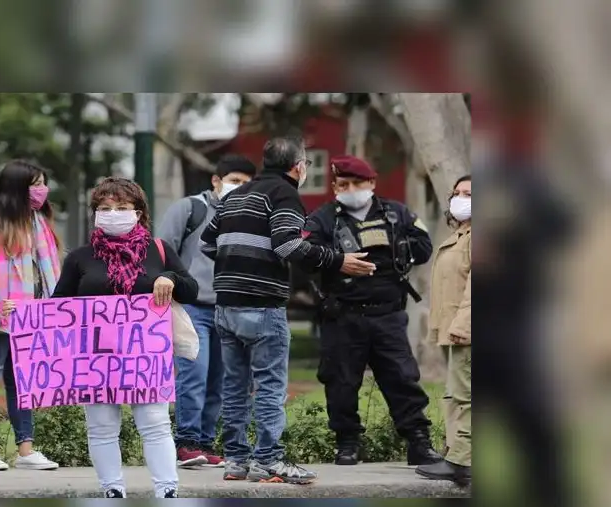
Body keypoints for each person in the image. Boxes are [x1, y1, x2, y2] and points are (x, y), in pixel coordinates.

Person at [201, 137, 376, 485]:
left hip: (225, 306)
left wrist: (237, 265)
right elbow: (287, 243)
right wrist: (338, 260)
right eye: (307, 163)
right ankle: (268, 461)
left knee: (235, 386)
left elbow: (208, 241)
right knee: (269, 386)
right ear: (297, 166)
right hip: (263, 306)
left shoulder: (234, 196)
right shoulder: (284, 195)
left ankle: (236, 460)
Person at [51, 177, 198, 497]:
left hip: (144, 356)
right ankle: (112, 490)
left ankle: (166, 490)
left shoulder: (159, 251)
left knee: (155, 423)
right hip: (95, 356)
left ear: (139, 212)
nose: (113, 213)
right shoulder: (79, 258)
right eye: (105, 208)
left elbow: (191, 290)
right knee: (101, 428)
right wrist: (21, 312)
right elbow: (58, 306)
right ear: (95, 214)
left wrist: (169, 277)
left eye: (121, 207)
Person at [302, 155, 441, 466]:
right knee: (341, 382)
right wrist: (338, 260)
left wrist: (395, 249)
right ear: (335, 187)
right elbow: (304, 254)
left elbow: (423, 246)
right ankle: (347, 443)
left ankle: (418, 440)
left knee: (402, 378)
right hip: (343, 315)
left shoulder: (396, 213)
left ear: (372, 184)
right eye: (343, 184)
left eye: (357, 183)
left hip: (388, 314)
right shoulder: (324, 217)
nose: (350, 189)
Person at [157, 154, 257, 467]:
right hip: (191, 307)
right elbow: (162, 250)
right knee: (194, 376)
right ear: (216, 180)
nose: (238, 187)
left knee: (220, 381)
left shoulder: (248, 214)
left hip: (228, 308)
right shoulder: (190, 208)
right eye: (234, 181)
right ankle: (185, 441)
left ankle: (203, 442)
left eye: (245, 183)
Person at [0, 159, 60, 471]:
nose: (41, 191)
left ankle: (26, 450)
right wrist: (10, 305)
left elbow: (44, 272)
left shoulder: (37, 223)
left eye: (43, 183)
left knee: (20, 381)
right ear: (16, 188)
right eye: (35, 184)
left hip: (27, 318)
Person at [417, 176, 472, 484]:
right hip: (454, 330)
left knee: (467, 395)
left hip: (468, 329)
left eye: (469, 194)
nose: (461, 198)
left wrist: (463, 325)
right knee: (455, 394)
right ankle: (455, 453)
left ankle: (463, 462)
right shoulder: (460, 234)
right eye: (457, 193)